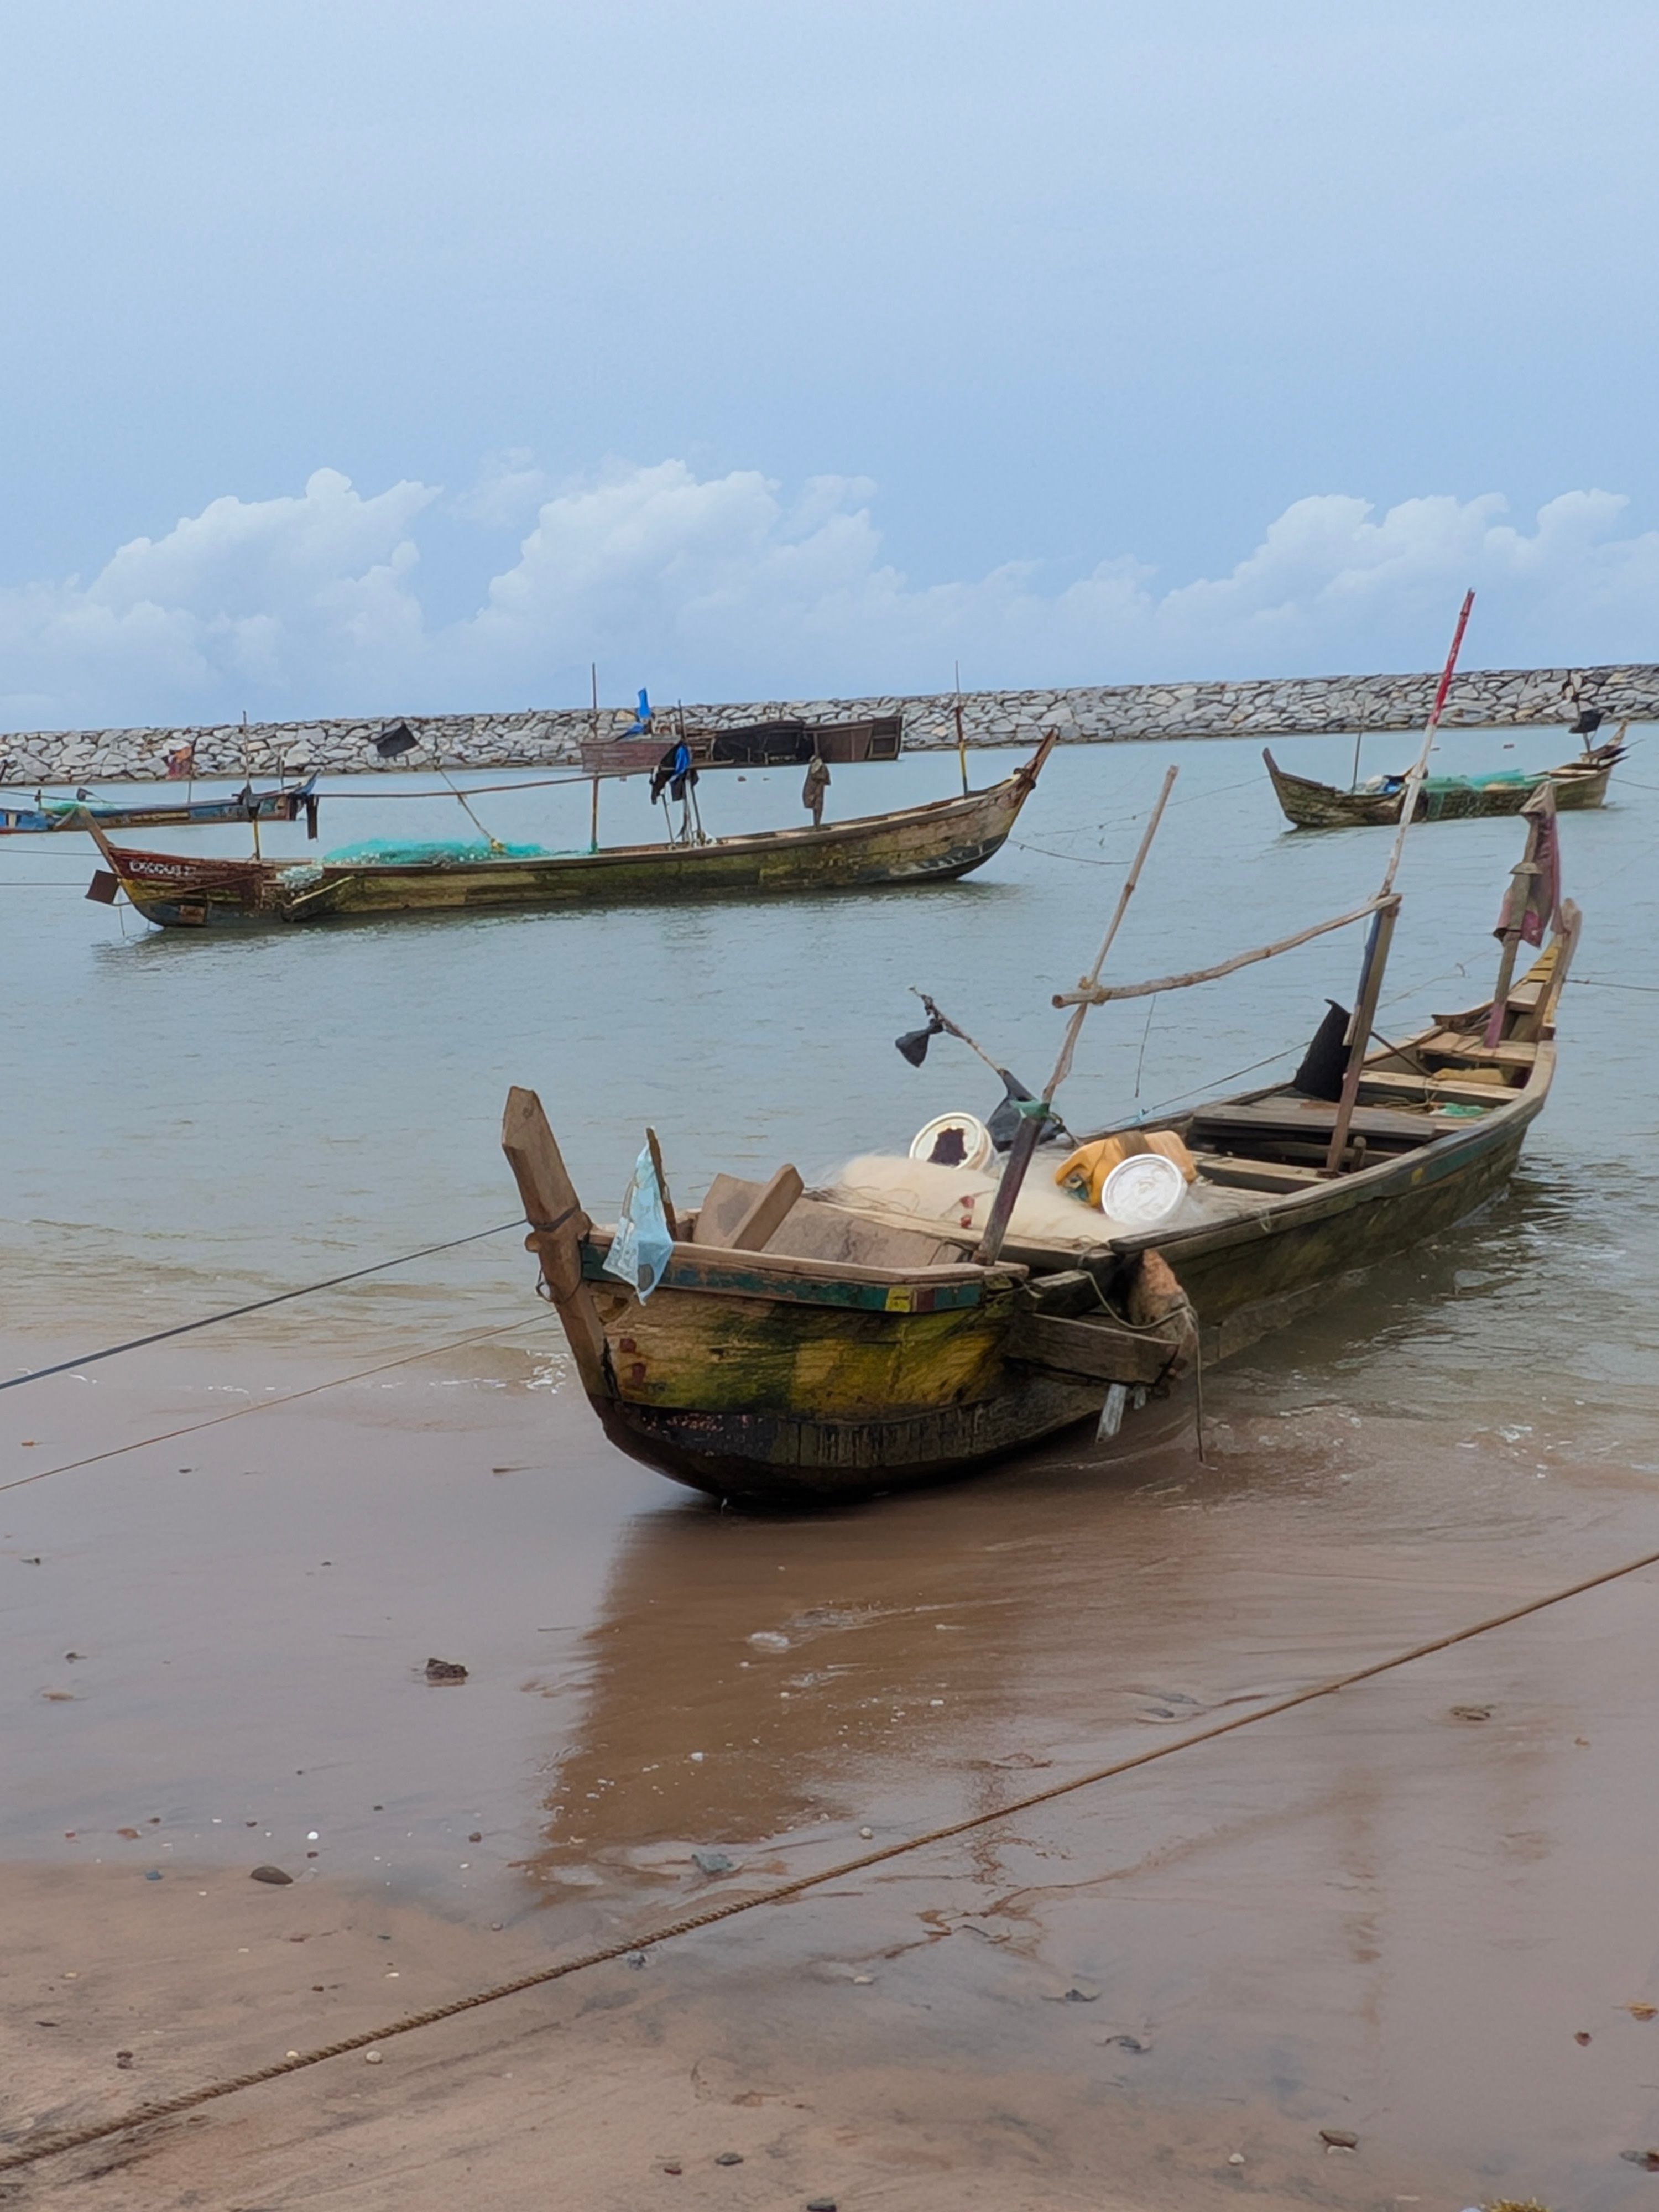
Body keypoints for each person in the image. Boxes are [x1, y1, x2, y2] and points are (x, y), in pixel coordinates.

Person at [802, 752, 830, 828]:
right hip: (812, 789)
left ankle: (817, 825)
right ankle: (816, 825)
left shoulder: (822, 767)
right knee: (816, 807)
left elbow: (824, 778)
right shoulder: (812, 768)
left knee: (818, 807)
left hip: (818, 789)